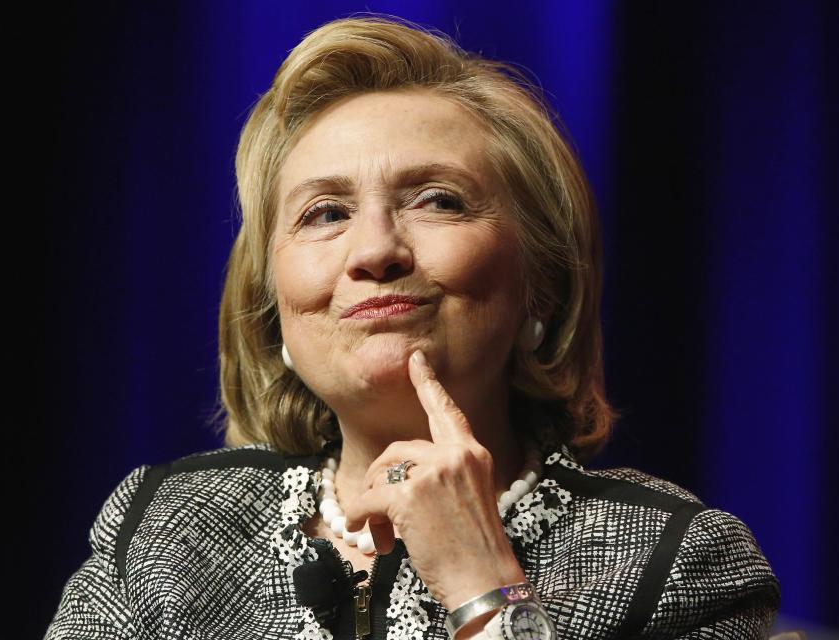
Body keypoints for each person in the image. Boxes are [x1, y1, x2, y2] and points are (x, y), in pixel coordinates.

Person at [45, 14, 781, 640]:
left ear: (543, 286)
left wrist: (481, 584)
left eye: (437, 200)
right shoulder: (166, 531)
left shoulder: (675, 561)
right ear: (274, 310)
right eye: (324, 214)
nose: (375, 252)